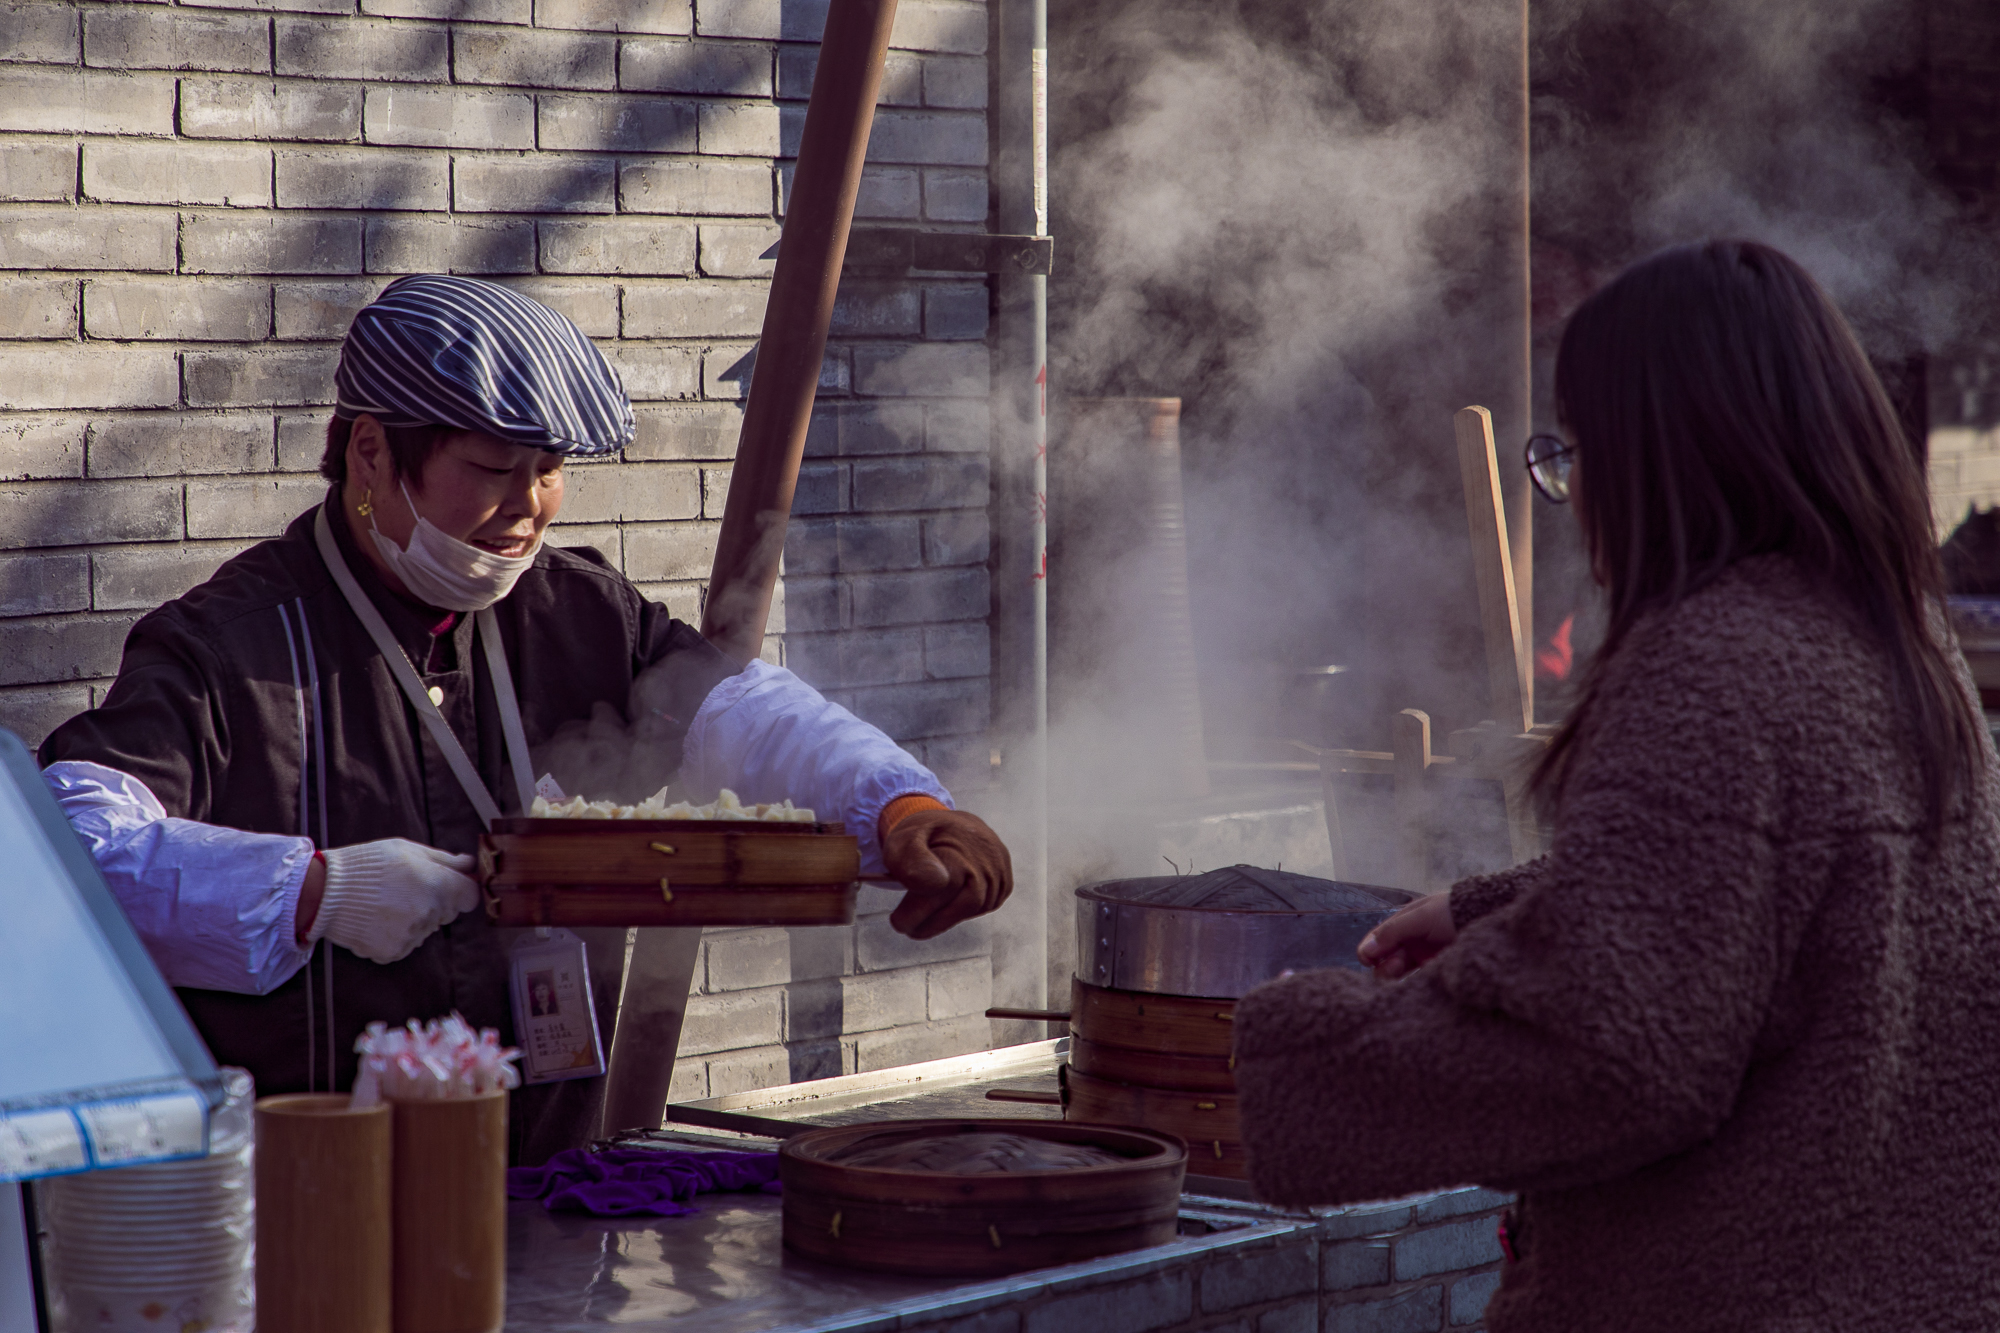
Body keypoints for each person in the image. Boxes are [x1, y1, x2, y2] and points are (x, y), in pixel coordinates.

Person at [40, 275, 1012, 1163]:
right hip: (308, 1187)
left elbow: (739, 709)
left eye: (548, 469)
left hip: (547, 1169)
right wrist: (314, 892)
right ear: (371, 452)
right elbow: (67, 856)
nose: (529, 505)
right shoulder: (223, 646)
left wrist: (897, 805)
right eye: (495, 467)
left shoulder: (571, 604)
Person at [1233, 240, 2000, 1330]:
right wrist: (1487, 909)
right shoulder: (1891, 632)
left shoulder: (1713, 662)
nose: (1571, 486)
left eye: (1578, 449)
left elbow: (1612, 1055)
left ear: (1661, 454)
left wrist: (1293, 1057)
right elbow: (1781, 894)